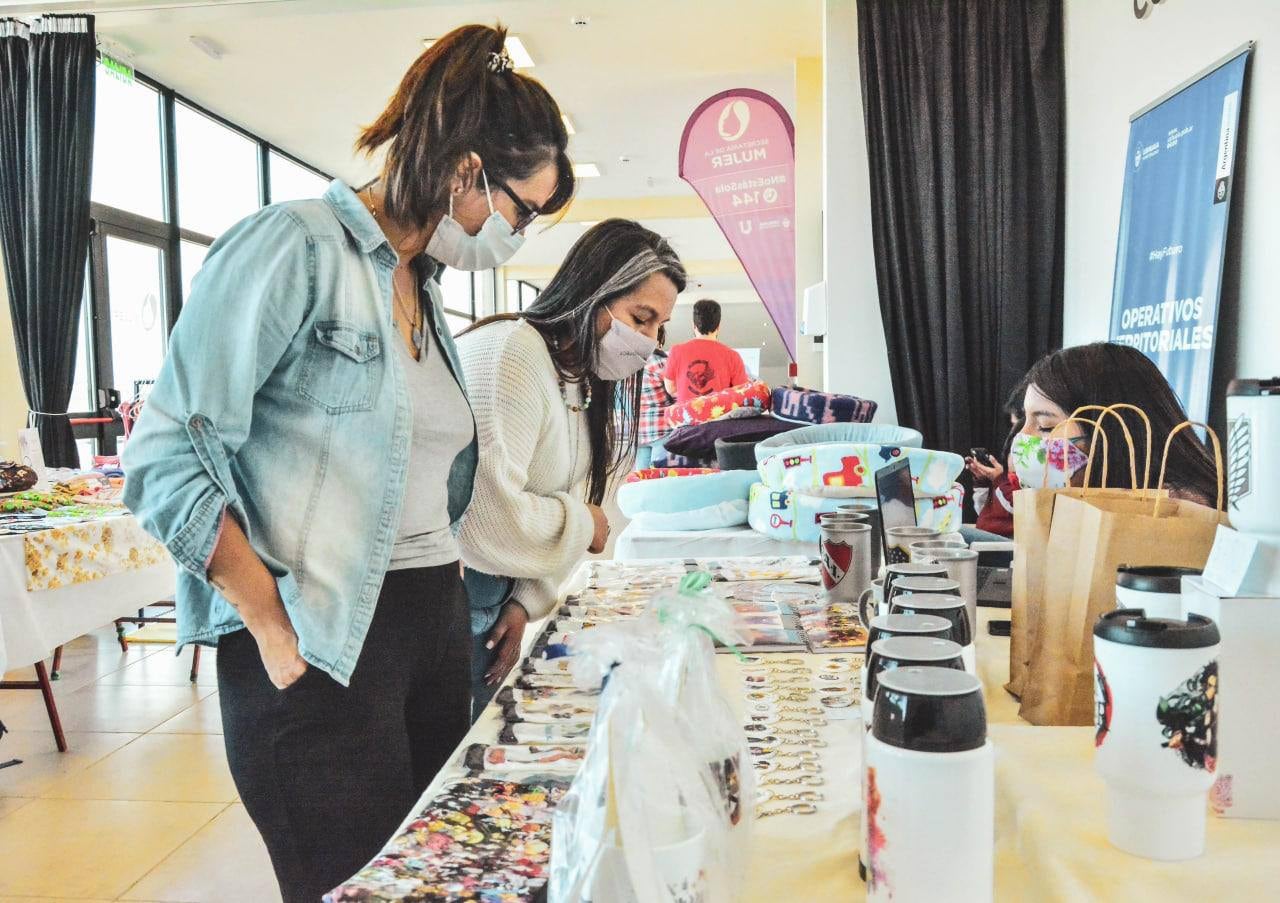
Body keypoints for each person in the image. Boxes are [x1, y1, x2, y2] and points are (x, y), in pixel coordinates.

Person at [121, 25, 574, 902]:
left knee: (438, 880)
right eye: (520, 211)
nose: (514, 236)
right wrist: (270, 624)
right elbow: (166, 456)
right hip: (323, 644)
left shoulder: (422, 285)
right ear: (466, 169)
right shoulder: (294, 247)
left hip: (429, 626)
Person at [457, 219, 684, 713]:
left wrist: (524, 599)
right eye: (641, 317)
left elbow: (569, 489)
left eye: (658, 327)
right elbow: (486, 516)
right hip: (449, 596)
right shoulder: (512, 353)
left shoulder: (576, 378)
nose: (649, 340)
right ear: (594, 291)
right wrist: (586, 524)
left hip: (495, 592)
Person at [1011, 342, 1219, 504]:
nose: (1023, 437)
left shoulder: (1173, 510)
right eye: (1023, 421)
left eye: (1045, 426)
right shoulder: (1077, 502)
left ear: (1113, 431)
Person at [962, 382, 1026, 540]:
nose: (1015, 434)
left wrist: (999, 479)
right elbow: (985, 514)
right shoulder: (1007, 476)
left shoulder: (1032, 470)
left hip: (1008, 547)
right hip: (989, 537)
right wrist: (983, 482)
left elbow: (1020, 508)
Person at [664, 298, 749, 404]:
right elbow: (741, 394)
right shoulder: (733, 356)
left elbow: (670, 388)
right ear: (718, 327)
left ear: (694, 325)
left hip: (687, 418)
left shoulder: (676, 351)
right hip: (719, 417)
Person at [635, 326, 675, 469]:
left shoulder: (629, 362)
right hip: (662, 431)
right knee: (659, 477)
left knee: (640, 479)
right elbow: (675, 395)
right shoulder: (661, 362)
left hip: (638, 432)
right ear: (659, 340)